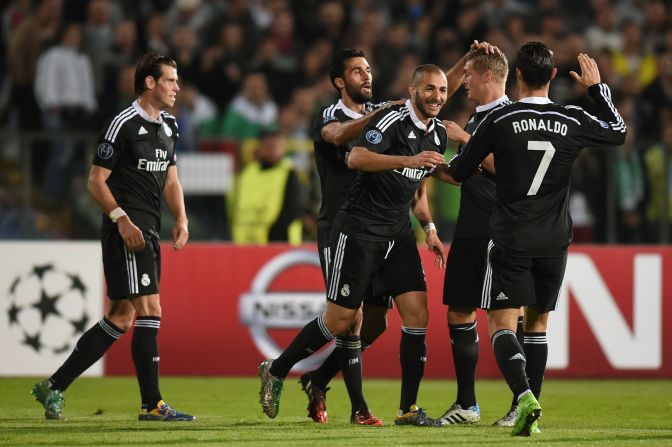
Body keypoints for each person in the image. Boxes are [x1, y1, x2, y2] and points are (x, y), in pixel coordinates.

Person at [299, 43, 495, 426]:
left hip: (388, 230)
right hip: (343, 227)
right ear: (340, 81)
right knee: (348, 320)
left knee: (376, 324)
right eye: (357, 71)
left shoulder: (385, 114)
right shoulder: (337, 115)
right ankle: (353, 406)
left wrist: (467, 62)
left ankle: (318, 379)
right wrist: (381, 122)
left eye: (368, 69)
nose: (367, 75)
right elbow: (341, 140)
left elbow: (435, 92)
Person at [447, 43, 626, 436]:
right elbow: (618, 132)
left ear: (517, 77)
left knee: (501, 325)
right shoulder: (571, 117)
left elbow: (459, 172)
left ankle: (524, 397)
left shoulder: (501, 119)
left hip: (511, 236)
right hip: (555, 239)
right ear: (555, 76)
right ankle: (527, 409)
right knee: (539, 323)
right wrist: (597, 90)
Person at [259, 63, 451, 427]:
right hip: (359, 230)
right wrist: (407, 159)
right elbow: (356, 157)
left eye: (442, 91)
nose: (437, 97)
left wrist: (429, 227)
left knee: (415, 316)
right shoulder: (392, 120)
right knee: (342, 320)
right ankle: (278, 369)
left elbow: (419, 187)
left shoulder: (438, 133)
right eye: (430, 89)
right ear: (412, 90)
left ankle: (407, 409)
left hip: (398, 235)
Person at [31, 52, 195, 422]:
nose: (177, 87)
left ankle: (53, 386)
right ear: (150, 83)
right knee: (150, 310)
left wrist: (182, 218)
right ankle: (152, 404)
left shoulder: (169, 125)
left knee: (120, 318)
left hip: (149, 229)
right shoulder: (121, 123)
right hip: (126, 231)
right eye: (171, 80)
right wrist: (121, 219)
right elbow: (95, 180)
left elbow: (170, 178)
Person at [437, 47, 524, 427]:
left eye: (469, 75)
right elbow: (462, 172)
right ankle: (467, 404)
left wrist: (465, 139)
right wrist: (413, 164)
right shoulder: (479, 116)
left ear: (488, 76)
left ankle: (521, 401)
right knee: (459, 309)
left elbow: (511, 172)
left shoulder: (511, 117)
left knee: (504, 318)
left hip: (497, 228)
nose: (465, 83)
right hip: (469, 225)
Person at [229, 129, 304, 244]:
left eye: (278, 146)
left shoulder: (289, 173)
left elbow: (292, 210)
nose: (274, 150)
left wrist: (272, 235)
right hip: (245, 242)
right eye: (270, 146)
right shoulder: (247, 173)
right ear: (260, 147)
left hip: (280, 242)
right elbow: (234, 205)